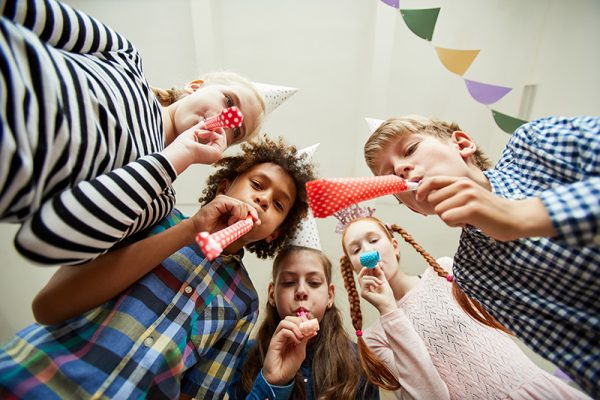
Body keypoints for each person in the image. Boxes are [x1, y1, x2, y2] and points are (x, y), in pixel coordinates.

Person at [0, 136, 316, 399]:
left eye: (278, 204)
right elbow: (48, 306)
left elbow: (198, 393)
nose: (263, 200)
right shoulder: (155, 215)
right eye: (258, 185)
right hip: (28, 379)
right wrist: (192, 228)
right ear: (224, 187)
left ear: (274, 232)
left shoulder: (245, 301)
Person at [1, 0, 295, 265]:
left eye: (235, 132)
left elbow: (45, 239)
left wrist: (179, 156)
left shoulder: (157, 201)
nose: (226, 120)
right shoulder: (124, 56)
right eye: (229, 101)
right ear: (196, 86)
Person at [362, 115, 600, 397]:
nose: (400, 169)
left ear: (462, 144)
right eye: (388, 176)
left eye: (410, 149)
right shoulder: (472, 275)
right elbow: (581, 348)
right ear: (414, 209)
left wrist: (522, 216)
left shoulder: (536, 145)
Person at [339, 210, 590, 399]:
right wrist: (389, 312)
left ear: (394, 246)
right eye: (356, 249)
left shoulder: (445, 271)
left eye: (373, 240)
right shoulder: (375, 338)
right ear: (352, 265)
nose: (367, 252)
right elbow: (431, 396)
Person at [227, 242, 384, 399]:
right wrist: (271, 382)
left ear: (330, 296)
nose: (301, 291)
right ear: (271, 294)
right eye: (289, 282)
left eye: (314, 283)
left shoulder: (357, 361)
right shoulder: (244, 356)